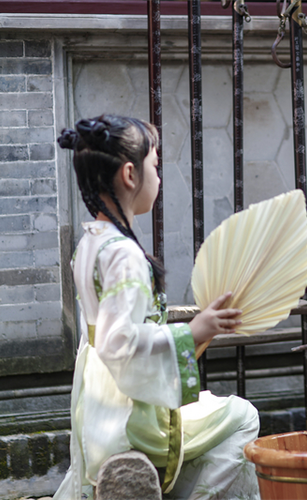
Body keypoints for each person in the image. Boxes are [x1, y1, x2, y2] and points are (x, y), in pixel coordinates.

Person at [53, 115, 260, 500]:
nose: (160, 178)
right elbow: (119, 342)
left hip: (96, 409)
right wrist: (198, 329)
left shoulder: (90, 244)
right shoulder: (124, 255)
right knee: (242, 417)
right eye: (156, 166)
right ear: (130, 174)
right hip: (132, 412)